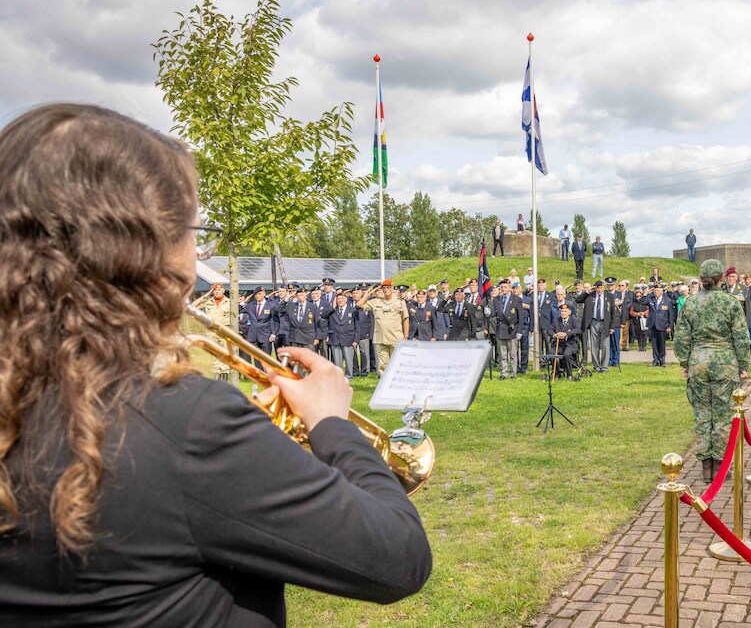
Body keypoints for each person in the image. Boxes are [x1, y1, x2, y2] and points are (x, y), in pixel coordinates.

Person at [0, 104, 432, 624]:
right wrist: (332, 426)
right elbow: (399, 558)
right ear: (143, 250)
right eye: (192, 232)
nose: (194, 264)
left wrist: (251, 437)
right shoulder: (190, 425)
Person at [674, 260, 751, 482]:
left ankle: (706, 467)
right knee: (723, 416)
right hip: (725, 365)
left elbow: (681, 339)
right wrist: (743, 365)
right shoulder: (730, 303)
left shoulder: (689, 304)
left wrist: (685, 363)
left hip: (698, 364)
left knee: (702, 416)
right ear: (721, 279)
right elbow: (741, 337)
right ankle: (719, 466)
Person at [581, 280, 615, 372]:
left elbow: (613, 312)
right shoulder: (590, 296)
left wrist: (612, 326)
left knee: (605, 345)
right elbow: (578, 299)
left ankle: (604, 366)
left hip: (605, 322)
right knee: (594, 345)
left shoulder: (609, 296)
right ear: (595, 288)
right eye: (598, 288)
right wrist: (588, 291)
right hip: (594, 321)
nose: (600, 289)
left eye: (601, 287)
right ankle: (596, 366)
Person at [492, 280, 523, 379]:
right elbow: (494, 313)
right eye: (501, 287)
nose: (503, 289)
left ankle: (513, 373)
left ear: (510, 288)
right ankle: (504, 373)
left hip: (511, 329)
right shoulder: (497, 299)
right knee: (503, 354)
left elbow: (520, 317)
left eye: (505, 287)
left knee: (513, 354)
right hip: (501, 329)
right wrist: (488, 312)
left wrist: (519, 331)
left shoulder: (516, 299)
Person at [548, 303, 583, 379]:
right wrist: (555, 335)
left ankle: (569, 374)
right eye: (562, 311)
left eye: (565, 311)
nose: (563, 313)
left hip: (570, 344)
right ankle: (556, 372)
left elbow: (578, 330)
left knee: (566, 354)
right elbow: (550, 330)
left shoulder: (573, 320)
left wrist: (566, 334)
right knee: (551, 353)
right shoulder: (556, 320)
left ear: (569, 312)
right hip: (559, 344)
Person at [644, 283, 675, 367]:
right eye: (655, 290)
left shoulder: (667, 300)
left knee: (661, 343)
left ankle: (662, 360)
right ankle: (655, 360)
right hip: (652, 324)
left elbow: (670, 315)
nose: (656, 292)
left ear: (661, 291)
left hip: (662, 325)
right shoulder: (651, 299)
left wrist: (670, 326)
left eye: (657, 290)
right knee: (654, 343)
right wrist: (646, 294)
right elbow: (642, 302)